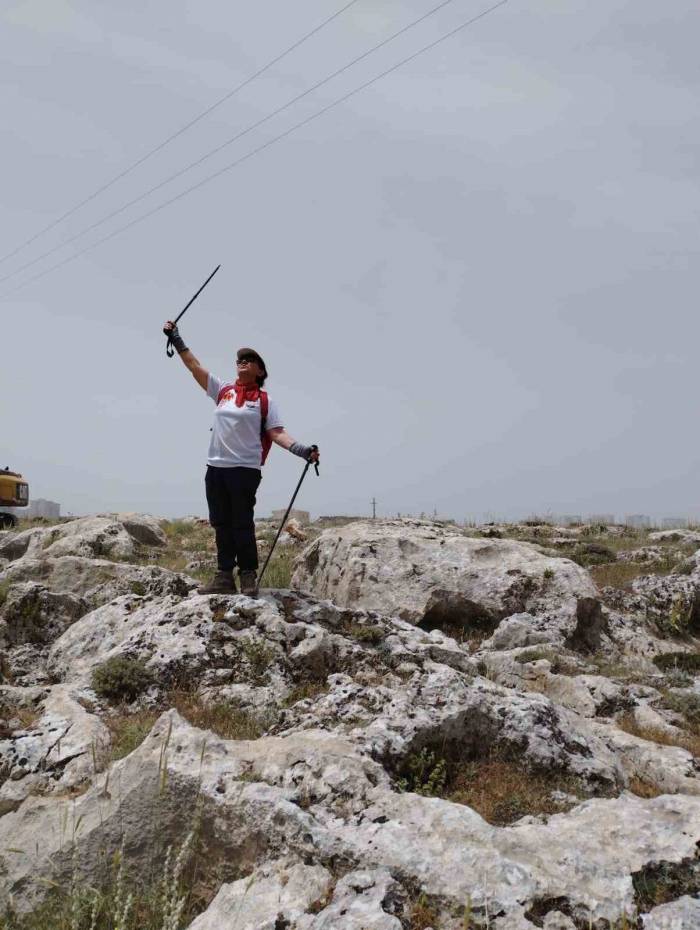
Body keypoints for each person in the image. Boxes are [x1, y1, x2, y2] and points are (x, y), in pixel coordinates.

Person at [162, 320, 320, 597]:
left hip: (245, 469)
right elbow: (193, 366)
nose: (242, 362)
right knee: (220, 523)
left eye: (249, 360)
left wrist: (303, 450)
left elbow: (276, 433)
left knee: (242, 523)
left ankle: (248, 575)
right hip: (216, 468)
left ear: (260, 371)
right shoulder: (223, 391)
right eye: (239, 360)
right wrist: (176, 338)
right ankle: (224, 576)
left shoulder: (264, 400)